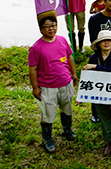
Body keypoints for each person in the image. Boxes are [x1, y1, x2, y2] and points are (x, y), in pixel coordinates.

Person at [29, 11, 78, 153]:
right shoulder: (36, 48)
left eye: (53, 25)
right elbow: (33, 69)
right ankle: (47, 139)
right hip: (48, 86)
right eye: (47, 26)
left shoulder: (62, 40)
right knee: (48, 114)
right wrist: (35, 88)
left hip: (65, 82)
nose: (51, 28)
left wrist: (73, 74)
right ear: (41, 29)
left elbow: (69, 58)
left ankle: (67, 130)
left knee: (67, 108)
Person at [81, 30, 111, 155]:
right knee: (104, 117)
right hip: (100, 93)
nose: (106, 43)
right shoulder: (93, 57)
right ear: (98, 44)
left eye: (109, 40)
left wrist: (94, 67)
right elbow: (88, 78)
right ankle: (109, 142)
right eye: (103, 41)